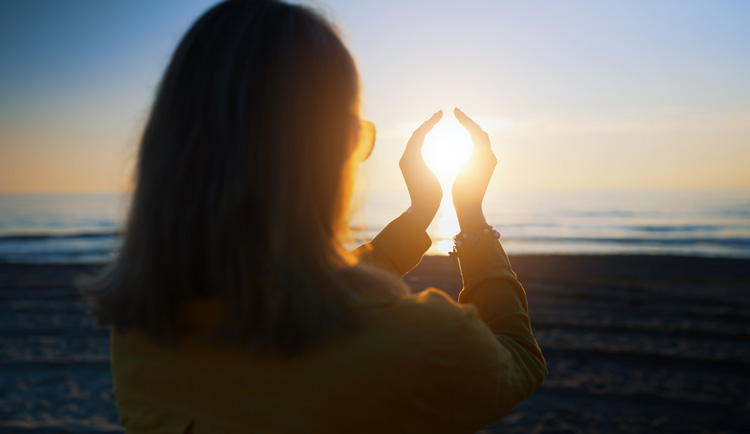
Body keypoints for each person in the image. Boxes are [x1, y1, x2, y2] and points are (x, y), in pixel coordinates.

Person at [80, 0, 546, 432]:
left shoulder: (139, 332)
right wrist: (472, 221)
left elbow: (300, 293)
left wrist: (418, 217)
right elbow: (517, 358)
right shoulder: (417, 345)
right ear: (334, 147)